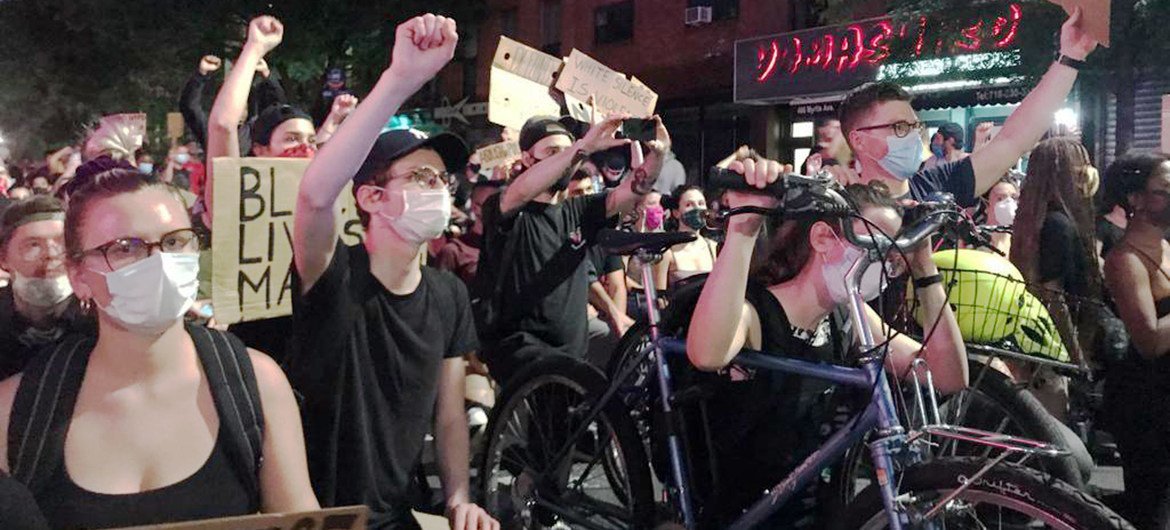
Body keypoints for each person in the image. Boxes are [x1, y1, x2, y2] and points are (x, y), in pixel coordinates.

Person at [0, 169, 318, 528]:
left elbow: (300, 517)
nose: (158, 263)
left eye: (174, 242)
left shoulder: (256, 384)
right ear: (79, 276)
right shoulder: (17, 411)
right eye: (124, 248)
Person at [289, 14, 497, 530]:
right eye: (421, 176)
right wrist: (400, 80)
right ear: (371, 198)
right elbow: (315, 195)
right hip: (322, 515)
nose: (439, 189)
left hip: (399, 513)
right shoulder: (333, 276)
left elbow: (448, 414)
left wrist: (458, 500)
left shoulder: (448, 295)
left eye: (442, 179)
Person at [686, 161, 966, 528]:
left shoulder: (849, 316)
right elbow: (706, 353)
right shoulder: (760, 312)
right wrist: (743, 227)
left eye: (893, 255)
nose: (886, 265)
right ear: (822, 239)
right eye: (876, 247)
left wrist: (924, 265)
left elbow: (946, 376)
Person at [830, 9, 1097, 207]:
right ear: (859, 141)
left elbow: (1014, 140)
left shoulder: (939, 187)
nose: (913, 136)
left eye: (915, 126)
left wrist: (1070, 58)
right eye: (899, 127)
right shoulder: (836, 209)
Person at [476, 113, 669, 385]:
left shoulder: (578, 210)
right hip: (522, 360)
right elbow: (519, 192)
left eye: (566, 151)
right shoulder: (506, 206)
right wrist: (582, 147)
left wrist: (658, 156)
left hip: (573, 360)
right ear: (528, 159)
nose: (565, 160)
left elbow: (634, 190)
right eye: (553, 152)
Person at [1101, 151, 1170, 530]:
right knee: (1152, 508)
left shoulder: (1165, 247)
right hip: (1146, 405)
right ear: (1135, 200)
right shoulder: (1125, 259)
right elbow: (1149, 340)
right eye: (1166, 190)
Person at [1011, 139, 1102, 374]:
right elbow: (1054, 295)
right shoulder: (1057, 224)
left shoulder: (1038, 220)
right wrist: (1075, 356)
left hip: (1044, 345)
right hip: (1058, 350)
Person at [0, 196, 94, 380]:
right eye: (33, 245)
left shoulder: (103, 320)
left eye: (62, 244)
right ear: (3, 258)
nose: (51, 255)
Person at [436, 181, 500, 286]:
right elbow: (442, 294)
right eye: (492, 204)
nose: (499, 209)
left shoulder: (508, 245)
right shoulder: (454, 251)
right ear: (475, 207)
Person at [663, 185, 718, 286]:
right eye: (689, 205)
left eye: (701, 203)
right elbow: (658, 296)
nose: (697, 208)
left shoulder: (713, 247)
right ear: (676, 213)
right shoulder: (667, 251)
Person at [977, 174, 1019, 255]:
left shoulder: (1022, 242)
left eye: (1014, 198)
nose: (1009, 202)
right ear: (987, 207)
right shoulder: (974, 239)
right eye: (1000, 198)